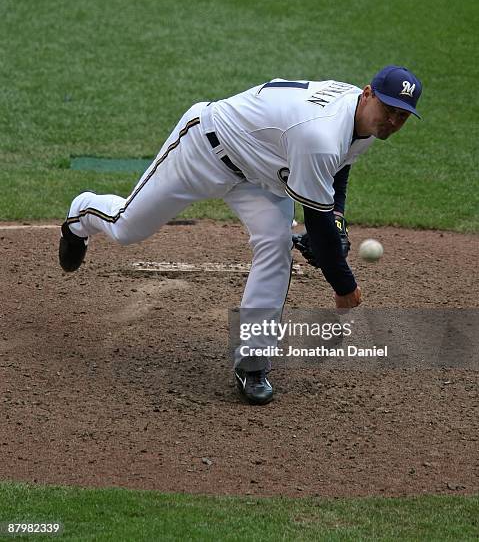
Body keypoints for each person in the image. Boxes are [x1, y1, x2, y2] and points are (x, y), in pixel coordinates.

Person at [59, 65, 422, 405]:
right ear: (368, 94)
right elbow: (320, 218)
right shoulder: (320, 134)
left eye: (401, 116)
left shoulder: (366, 122)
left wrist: (337, 220)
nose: (392, 120)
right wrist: (344, 286)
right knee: (127, 228)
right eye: (388, 109)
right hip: (203, 148)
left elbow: (339, 168)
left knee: (276, 244)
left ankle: (252, 361)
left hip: (261, 175)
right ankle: (81, 214)